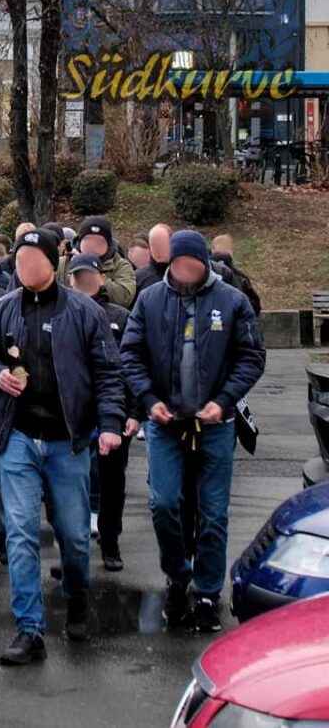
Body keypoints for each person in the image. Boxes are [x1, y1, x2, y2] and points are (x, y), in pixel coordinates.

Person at [0, 228, 124, 665]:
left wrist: (109, 423)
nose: (25, 267)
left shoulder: (82, 311)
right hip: (17, 436)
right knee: (20, 532)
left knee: (74, 535)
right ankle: (29, 629)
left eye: (33, 259)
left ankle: (77, 598)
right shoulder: (0, 311)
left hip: (67, 440)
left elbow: (109, 372)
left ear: (51, 263)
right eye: (19, 260)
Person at [122, 230, 265, 634]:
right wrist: (149, 400)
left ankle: (206, 592)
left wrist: (225, 398)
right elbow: (130, 353)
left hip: (215, 425)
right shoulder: (150, 300)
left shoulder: (231, 301)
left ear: (204, 264)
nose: (187, 272)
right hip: (166, 424)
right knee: (164, 503)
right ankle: (177, 576)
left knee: (213, 514)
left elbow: (252, 355)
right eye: (180, 265)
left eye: (194, 266)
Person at [67, 253, 137, 573]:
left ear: (102, 279)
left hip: (113, 411)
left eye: (90, 277)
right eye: (78, 277)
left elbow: (134, 366)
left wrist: (135, 412)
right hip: (74, 416)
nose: (85, 283)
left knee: (111, 482)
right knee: (72, 483)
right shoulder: (61, 313)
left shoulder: (120, 317)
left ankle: (111, 542)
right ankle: (75, 547)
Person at [60, 216, 136, 307]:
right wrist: (78, 267)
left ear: (108, 243)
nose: (93, 246)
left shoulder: (121, 265)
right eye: (88, 241)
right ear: (80, 241)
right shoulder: (63, 263)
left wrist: (96, 276)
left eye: (99, 242)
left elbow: (124, 298)